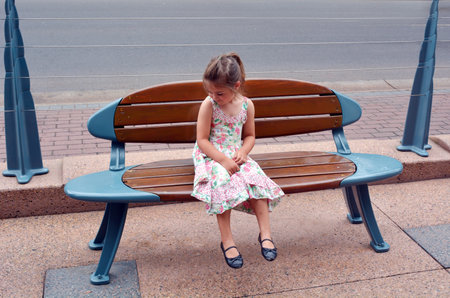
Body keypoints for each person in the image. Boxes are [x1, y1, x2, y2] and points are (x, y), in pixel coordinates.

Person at [191, 52, 284, 269]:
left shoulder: (246, 106)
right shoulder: (209, 105)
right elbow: (202, 140)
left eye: (220, 93)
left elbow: (249, 135)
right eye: (210, 91)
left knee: (256, 181)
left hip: (236, 153)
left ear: (237, 86)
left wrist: (243, 151)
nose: (214, 96)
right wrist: (222, 160)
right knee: (223, 182)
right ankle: (227, 241)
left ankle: (266, 234)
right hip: (212, 155)